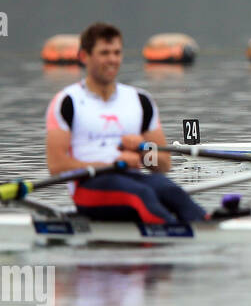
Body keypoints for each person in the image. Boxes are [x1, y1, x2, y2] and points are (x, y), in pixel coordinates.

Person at [45, 22, 214, 225]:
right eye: (104, 53)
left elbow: (162, 165)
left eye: (117, 53)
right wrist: (112, 164)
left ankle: (207, 228)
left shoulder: (140, 100)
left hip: (132, 181)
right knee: (142, 194)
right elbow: (56, 166)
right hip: (89, 188)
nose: (112, 60)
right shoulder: (67, 102)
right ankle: (172, 236)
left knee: (171, 190)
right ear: (84, 57)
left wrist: (144, 151)